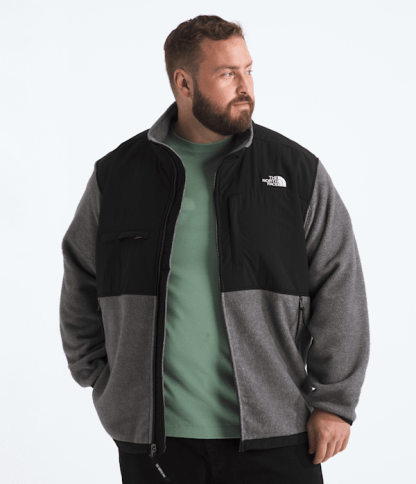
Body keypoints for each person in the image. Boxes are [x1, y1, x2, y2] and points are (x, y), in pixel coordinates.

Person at [59, 14, 370, 484]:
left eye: (249, 70)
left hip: (277, 434)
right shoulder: (117, 177)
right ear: (183, 84)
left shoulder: (296, 172)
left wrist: (334, 402)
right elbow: (81, 275)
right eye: (227, 74)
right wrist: (103, 378)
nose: (245, 87)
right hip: (156, 443)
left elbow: (340, 282)